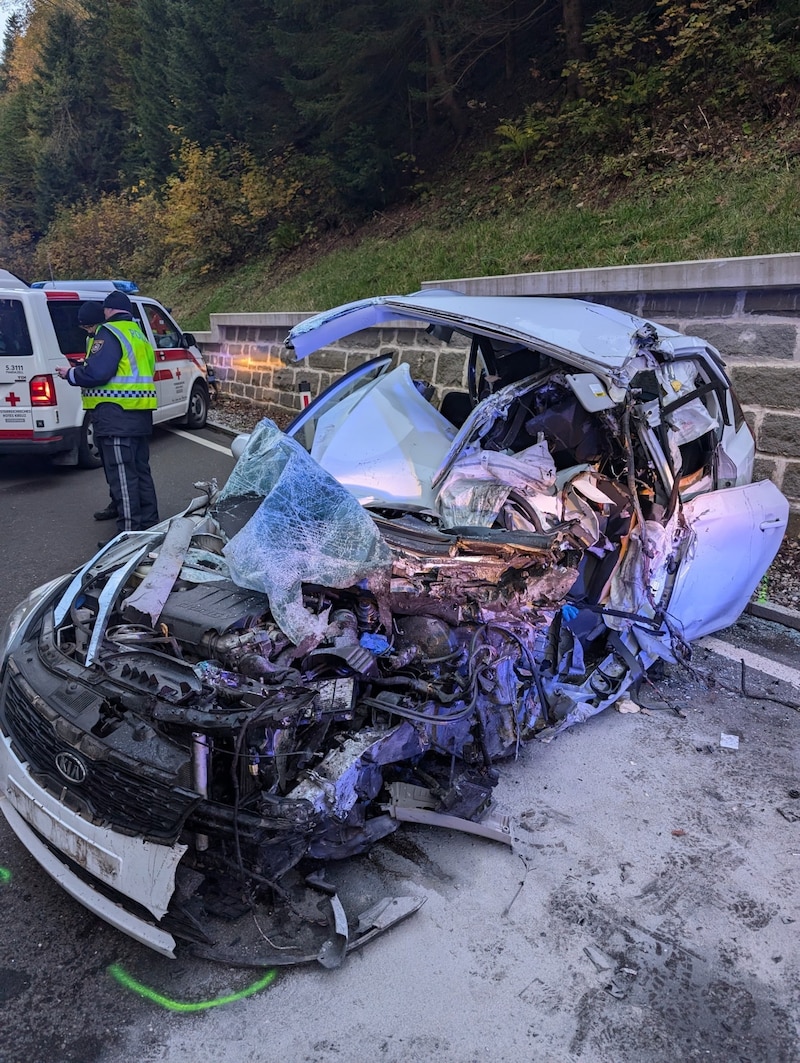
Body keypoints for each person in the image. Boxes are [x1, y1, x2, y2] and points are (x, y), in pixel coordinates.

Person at [56, 290, 159, 541]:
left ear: (109, 310)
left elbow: (98, 374)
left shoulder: (109, 333)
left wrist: (70, 375)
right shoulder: (138, 335)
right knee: (139, 469)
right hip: (140, 413)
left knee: (121, 473)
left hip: (115, 414)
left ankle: (128, 533)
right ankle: (149, 522)